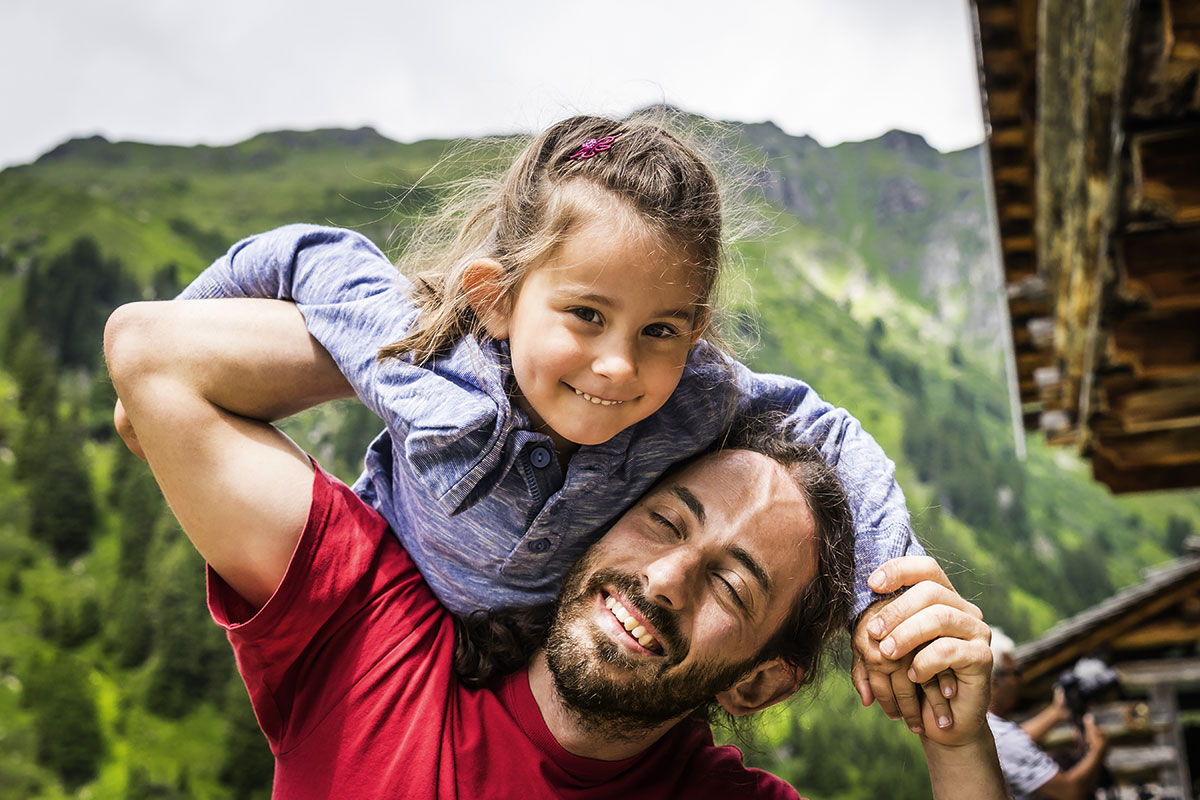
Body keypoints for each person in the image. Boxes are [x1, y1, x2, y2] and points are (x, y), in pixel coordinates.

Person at [151, 112, 930, 728]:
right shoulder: (424, 353)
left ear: (694, 333)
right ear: (496, 296)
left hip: (563, 675)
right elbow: (306, 254)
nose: (619, 365)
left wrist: (884, 593)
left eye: (660, 329)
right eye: (586, 314)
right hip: (379, 630)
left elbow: (824, 430)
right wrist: (187, 329)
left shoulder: (694, 393)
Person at [104, 298, 1006, 799]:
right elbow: (154, 355)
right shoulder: (370, 628)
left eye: (733, 586)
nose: (664, 578)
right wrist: (501, 363)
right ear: (604, 510)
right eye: (665, 519)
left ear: (760, 682)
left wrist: (957, 748)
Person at [987, 628, 1109, 800]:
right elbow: (1070, 792)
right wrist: (1097, 751)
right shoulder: (1004, 739)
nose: (1019, 680)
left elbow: (1015, 739)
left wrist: (1057, 712)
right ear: (993, 681)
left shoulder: (986, 728)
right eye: (1015, 673)